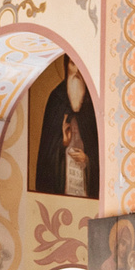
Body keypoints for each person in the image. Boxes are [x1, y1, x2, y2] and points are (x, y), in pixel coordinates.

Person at [34, 58, 99, 199]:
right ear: (66, 66)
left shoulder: (92, 103)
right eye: (73, 64)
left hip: (87, 192)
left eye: (81, 65)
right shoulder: (56, 100)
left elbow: (100, 152)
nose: (77, 70)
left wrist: (87, 160)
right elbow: (46, 154)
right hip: (62, 189)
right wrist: (62, 143)